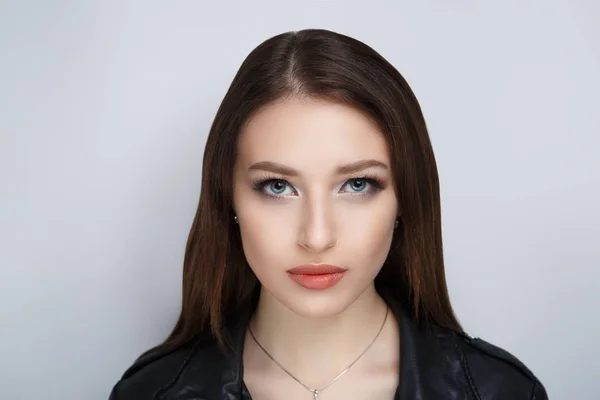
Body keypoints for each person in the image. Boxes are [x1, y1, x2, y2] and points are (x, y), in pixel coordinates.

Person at [109, 29, 547, 400]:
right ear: (229, 201)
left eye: (357, 185)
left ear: (405, 201)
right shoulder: (152, 391)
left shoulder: (499, 391)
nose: (316, 236)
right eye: (277, 187)